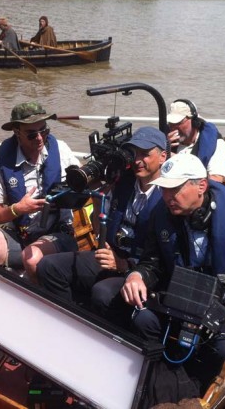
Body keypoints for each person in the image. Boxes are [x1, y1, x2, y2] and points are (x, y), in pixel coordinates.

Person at [120, 153, 225, 388]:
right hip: (183, 299)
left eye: (174, 189)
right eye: (164, 189)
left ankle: (207, 390)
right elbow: (152, 261)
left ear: (201, 186)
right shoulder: (161, 214)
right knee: (142, 318)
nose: (167, 197)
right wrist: (138, 275)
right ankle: (158, 378)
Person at [36, 127, 167, 325]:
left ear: (163, 156)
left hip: (140, 268)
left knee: (102, 293)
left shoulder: (168, 196)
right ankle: (69, 323)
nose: (138, 160)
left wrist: (124, 265)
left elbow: (162, 259)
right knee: (49, 266)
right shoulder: (124, 183)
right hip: (112, 254)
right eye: (134, 154)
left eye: (145, 154)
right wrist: (98, 195)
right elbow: (99, 227)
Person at [0, 102, 80, 280]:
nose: (40, 138)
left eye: (44, 131)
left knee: (31, 259)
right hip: (21, 235)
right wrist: (17, 209)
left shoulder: (61, 150)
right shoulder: (2, 163)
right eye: (32, 134)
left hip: (58, 235)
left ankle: (40, 299)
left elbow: (87, 181)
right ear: (17, 133)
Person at [166, 99, 225, 182]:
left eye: (178, 123)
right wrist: (162, 150)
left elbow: (217, 179)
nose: (173, 128)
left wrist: (178, 160)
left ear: (194, 122)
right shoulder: (167, 141)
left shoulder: (216, 143)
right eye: (171, 123)